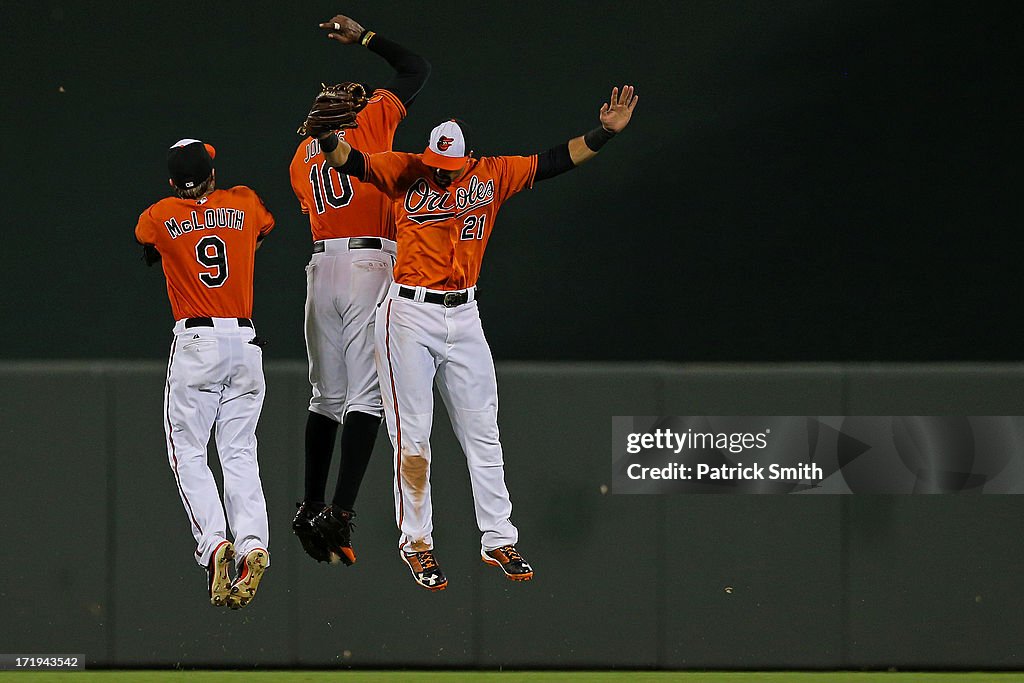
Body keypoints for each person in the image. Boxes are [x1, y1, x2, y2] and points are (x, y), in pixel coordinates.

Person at [312, 85, 639, 590]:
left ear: (465, 159)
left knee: (483, 432)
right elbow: (349, 162)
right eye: (434, 163)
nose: (438, 171)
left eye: (448, 165)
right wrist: (326, 138)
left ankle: (498, 537)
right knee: (412, 437)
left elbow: (552, 161)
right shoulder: (406, 169)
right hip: (408, 314)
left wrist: (605, 134)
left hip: (465, 314)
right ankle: (417, 543)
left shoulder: (492, 173)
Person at [289, 15, 430, 566]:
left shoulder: (300, 154)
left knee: (325, 397)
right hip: (373, 262)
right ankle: (340, 512)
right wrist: (367, 38)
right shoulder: (371, 124)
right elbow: (415, 68)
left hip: (322, 271)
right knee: (365, 398)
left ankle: (310, 502)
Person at [135, 139, 275, 608]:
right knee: (239, 452)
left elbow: (145, 239)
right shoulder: (244, 201)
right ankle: (254, 543)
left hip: (196, 342)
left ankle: (215, 543)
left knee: (188, 452)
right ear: (212, 173)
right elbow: (260, 231)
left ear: (173, 183)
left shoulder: (160, 215)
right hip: (244, 342)